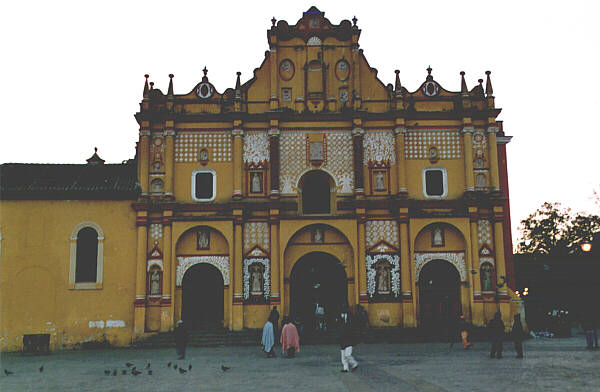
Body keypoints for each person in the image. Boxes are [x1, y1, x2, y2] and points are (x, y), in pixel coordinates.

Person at [338, 305, 358, 373]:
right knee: (343, 355)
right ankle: (345, 368)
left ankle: (354, 363)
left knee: (347, 354)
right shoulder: (339, 317)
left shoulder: (351, 317)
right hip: (342, 338)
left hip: (349, 338)